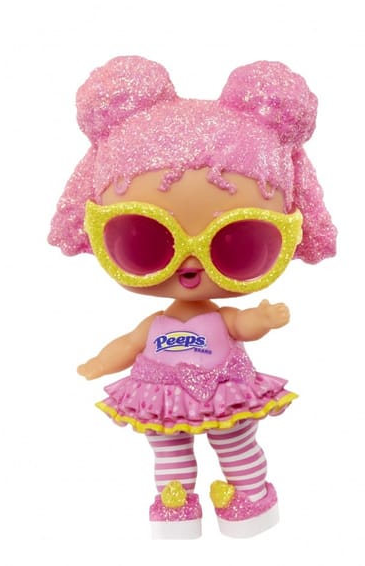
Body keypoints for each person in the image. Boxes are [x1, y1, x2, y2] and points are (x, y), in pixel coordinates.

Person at [48, 56, 336, 538]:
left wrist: (261, 318)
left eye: (239, 244)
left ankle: (249, 497)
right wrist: (99, 362)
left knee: (235, 441)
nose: (191, 263)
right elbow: (129, 344)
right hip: (159, 393)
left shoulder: (220, 318)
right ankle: (175, 502)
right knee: (168, 449)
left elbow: (240, 325)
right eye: (144, 239)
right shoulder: (155, 325)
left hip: (224, 389)